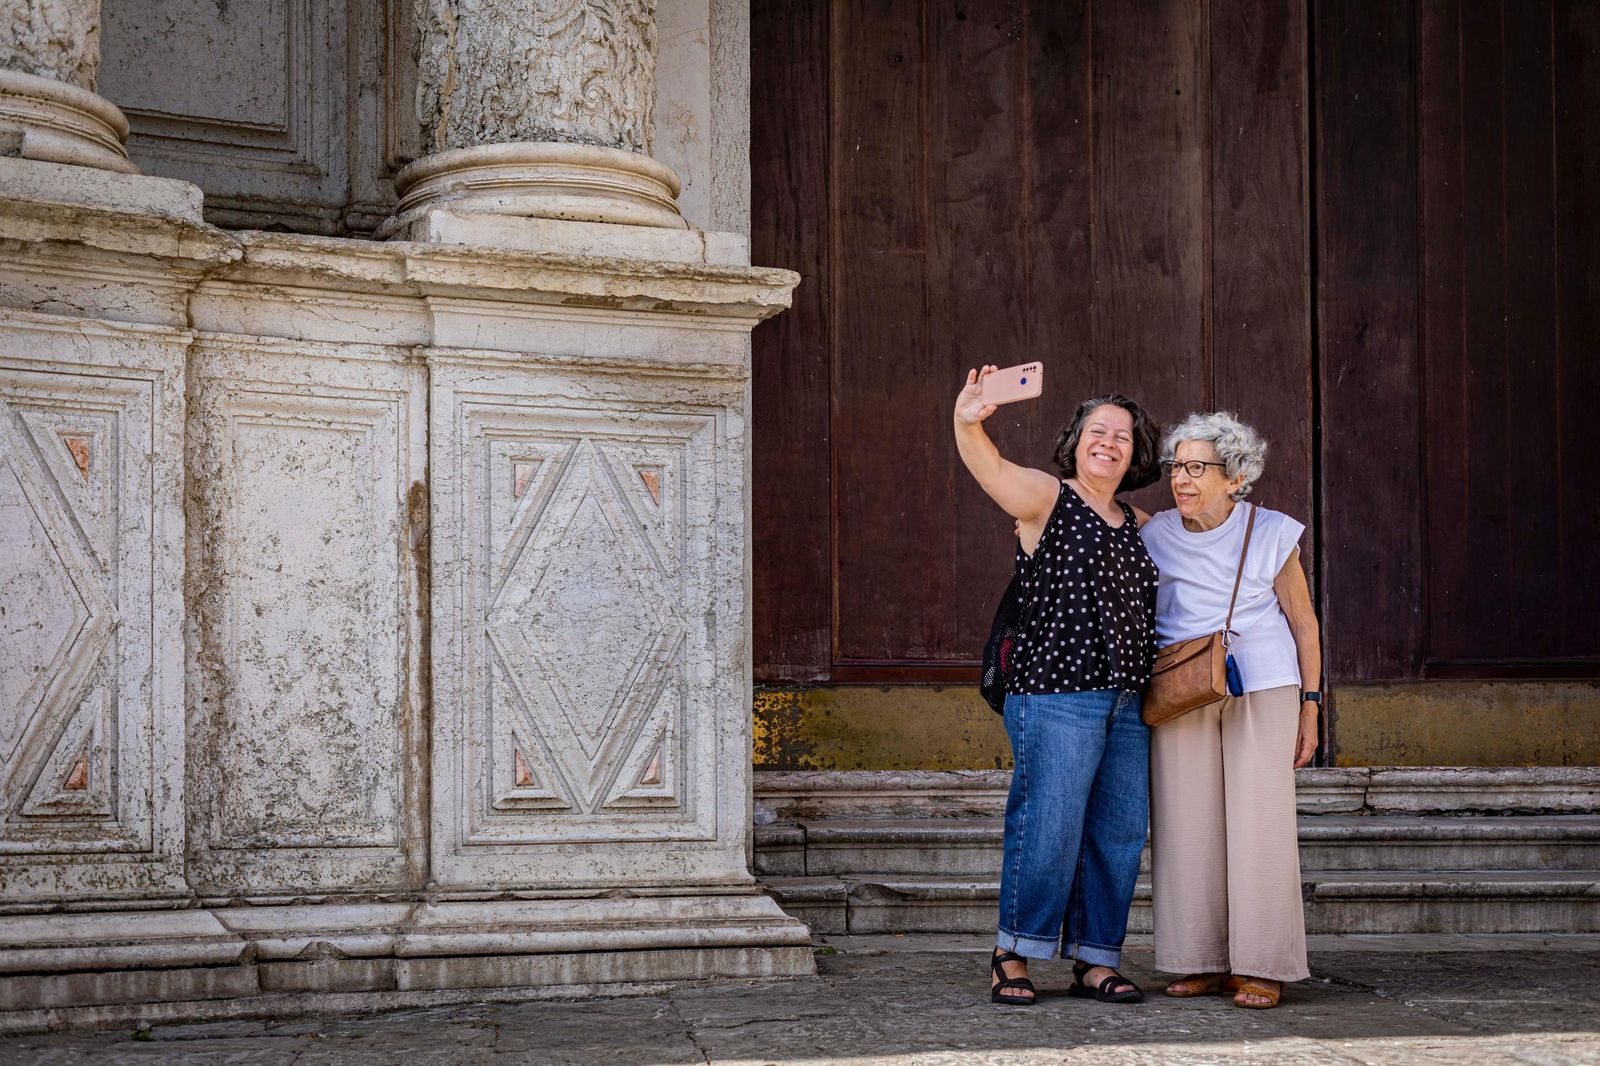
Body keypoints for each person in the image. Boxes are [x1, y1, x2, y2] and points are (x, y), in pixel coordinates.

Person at [952, 366, 1162, 1007]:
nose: (1110, 442)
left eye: (1123, 436)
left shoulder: (1140, 523)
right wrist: (969, 418)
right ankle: (1012, 950)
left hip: (1128, 700)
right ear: (1075, 442)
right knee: (1049, 825)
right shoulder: (1047, 498)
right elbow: (989, 467)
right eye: (1098, 431)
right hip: (1054, 696)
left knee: (1118, 831)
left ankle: (1096, 958)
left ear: (1136, 454)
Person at [1137, 411, 1322, 1010]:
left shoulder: (1270, 531)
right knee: (1186, 824)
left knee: (1259, 825)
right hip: (1182, 689)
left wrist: (1312, 706)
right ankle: (1202, 961)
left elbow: (1303, 622)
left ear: (1235, 477)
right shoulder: (1155, 531)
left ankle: (1263, 965)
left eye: (1198, 468)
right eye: (1177, 466)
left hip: (1263, 683)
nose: (1182, 479)